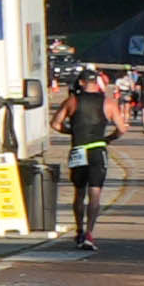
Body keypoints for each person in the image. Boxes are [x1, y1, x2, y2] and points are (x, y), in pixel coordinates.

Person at [58, 69, 120, 252]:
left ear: (82, 83)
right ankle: (90, 233)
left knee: (79, 192)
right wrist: (109, 138)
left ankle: (79, 230)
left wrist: (72, 131)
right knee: (95, 193)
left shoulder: (72, 101)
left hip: (78, 149)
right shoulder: (108, 102)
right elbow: (122, 128)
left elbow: (55, 123)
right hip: (97, 150)